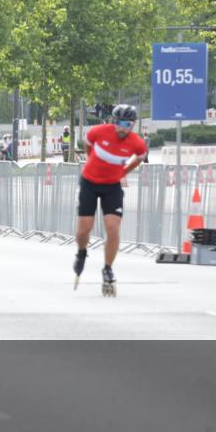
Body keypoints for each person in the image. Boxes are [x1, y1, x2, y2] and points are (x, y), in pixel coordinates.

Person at [72, 104, 147, 297]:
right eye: (119, 123)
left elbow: (139, 158)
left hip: (112, 186)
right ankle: (81, 252)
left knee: (113, 227)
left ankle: (107, 268)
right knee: (83, 231)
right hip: (90, 182)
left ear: (133, 125)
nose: (123, 128)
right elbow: (87, 145)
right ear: (113, 122)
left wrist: (123, 172)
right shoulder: (98, 132)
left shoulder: (137, 143)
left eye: (127, 124)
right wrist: (92, 162)